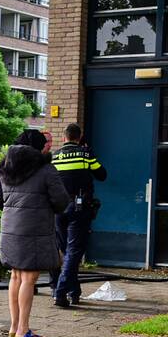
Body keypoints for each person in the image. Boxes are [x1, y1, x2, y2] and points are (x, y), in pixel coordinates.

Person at [0, 129, 68, 337]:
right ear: (37, 147)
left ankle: (14, 326)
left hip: (9, 230)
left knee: (16, 276)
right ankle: (24, 329)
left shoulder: (5, 168)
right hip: (34, 230)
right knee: (29, 278)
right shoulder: (46, 169)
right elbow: (61, 201)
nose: (47, 148)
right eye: (44, 145)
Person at [51, 123, 107, 308]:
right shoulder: (85, 154)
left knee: (67, 251)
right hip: (78, 208)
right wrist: (90, 155)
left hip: (58, 209)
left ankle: (74, 292)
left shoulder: (54, 157)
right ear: (79, 137)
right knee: (74, 251)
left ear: (64, 136)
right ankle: (60, 292)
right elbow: (101, 175)